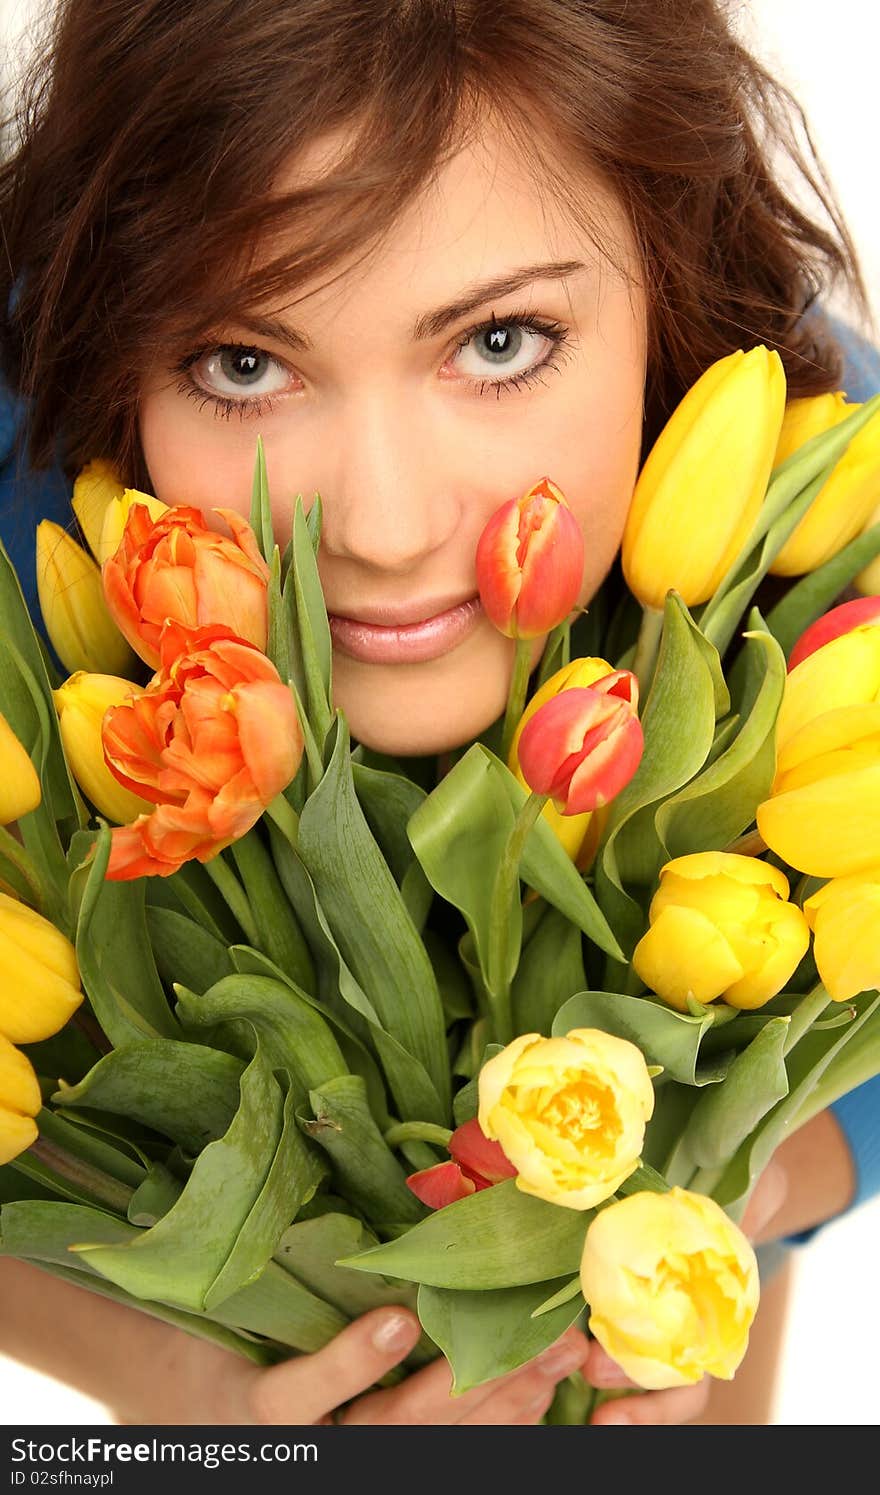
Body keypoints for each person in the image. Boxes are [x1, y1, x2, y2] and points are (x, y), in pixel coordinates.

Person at [0, 0, 877, 1427]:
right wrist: (175, 1395)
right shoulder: (20, 507)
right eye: (242, 362)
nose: (391, 528)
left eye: (501, 341)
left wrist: (725, 1179)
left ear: (674, 273)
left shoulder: (809, 475)